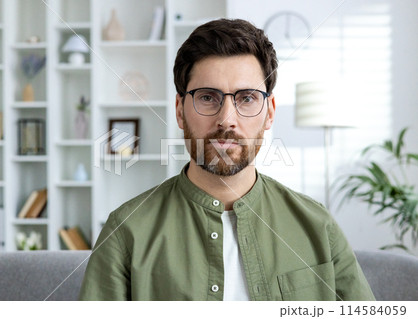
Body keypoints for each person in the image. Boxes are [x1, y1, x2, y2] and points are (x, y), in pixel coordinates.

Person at [79, 18, 375, 301]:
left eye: (246, 98)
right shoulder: (125, 231)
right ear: (180, 110)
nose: (227, 119)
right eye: (208, 97)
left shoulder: (318, 226)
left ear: (270, 111)